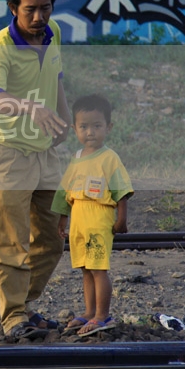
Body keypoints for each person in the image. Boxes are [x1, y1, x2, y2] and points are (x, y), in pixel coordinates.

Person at [0, 0, 71, 341]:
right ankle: (13, 315)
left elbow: (56, 77)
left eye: (45, 7)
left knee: (52, 238)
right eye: (30, 9)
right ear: (13, 8)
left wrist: (64, 116)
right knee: (10, 241)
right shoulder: (0, 47)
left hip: (45, 153)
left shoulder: (54, 33)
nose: (38, 17)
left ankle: (21, 303)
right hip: (7, 154)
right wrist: (32, 108)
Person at [52, 94, 133, 337]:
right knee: (85, 269)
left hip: (98, 218)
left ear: (108, 127)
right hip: (79, 218)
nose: (90, 132)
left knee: (98, 269)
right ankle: (89, 312)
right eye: (84, 127)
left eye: (97, 126)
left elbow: (121, 192)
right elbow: (65, 190)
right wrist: (63, 218)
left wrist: (121, 219)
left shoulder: (110, 158)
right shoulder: (76, 158)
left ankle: (102, 315)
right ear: (74, 128)